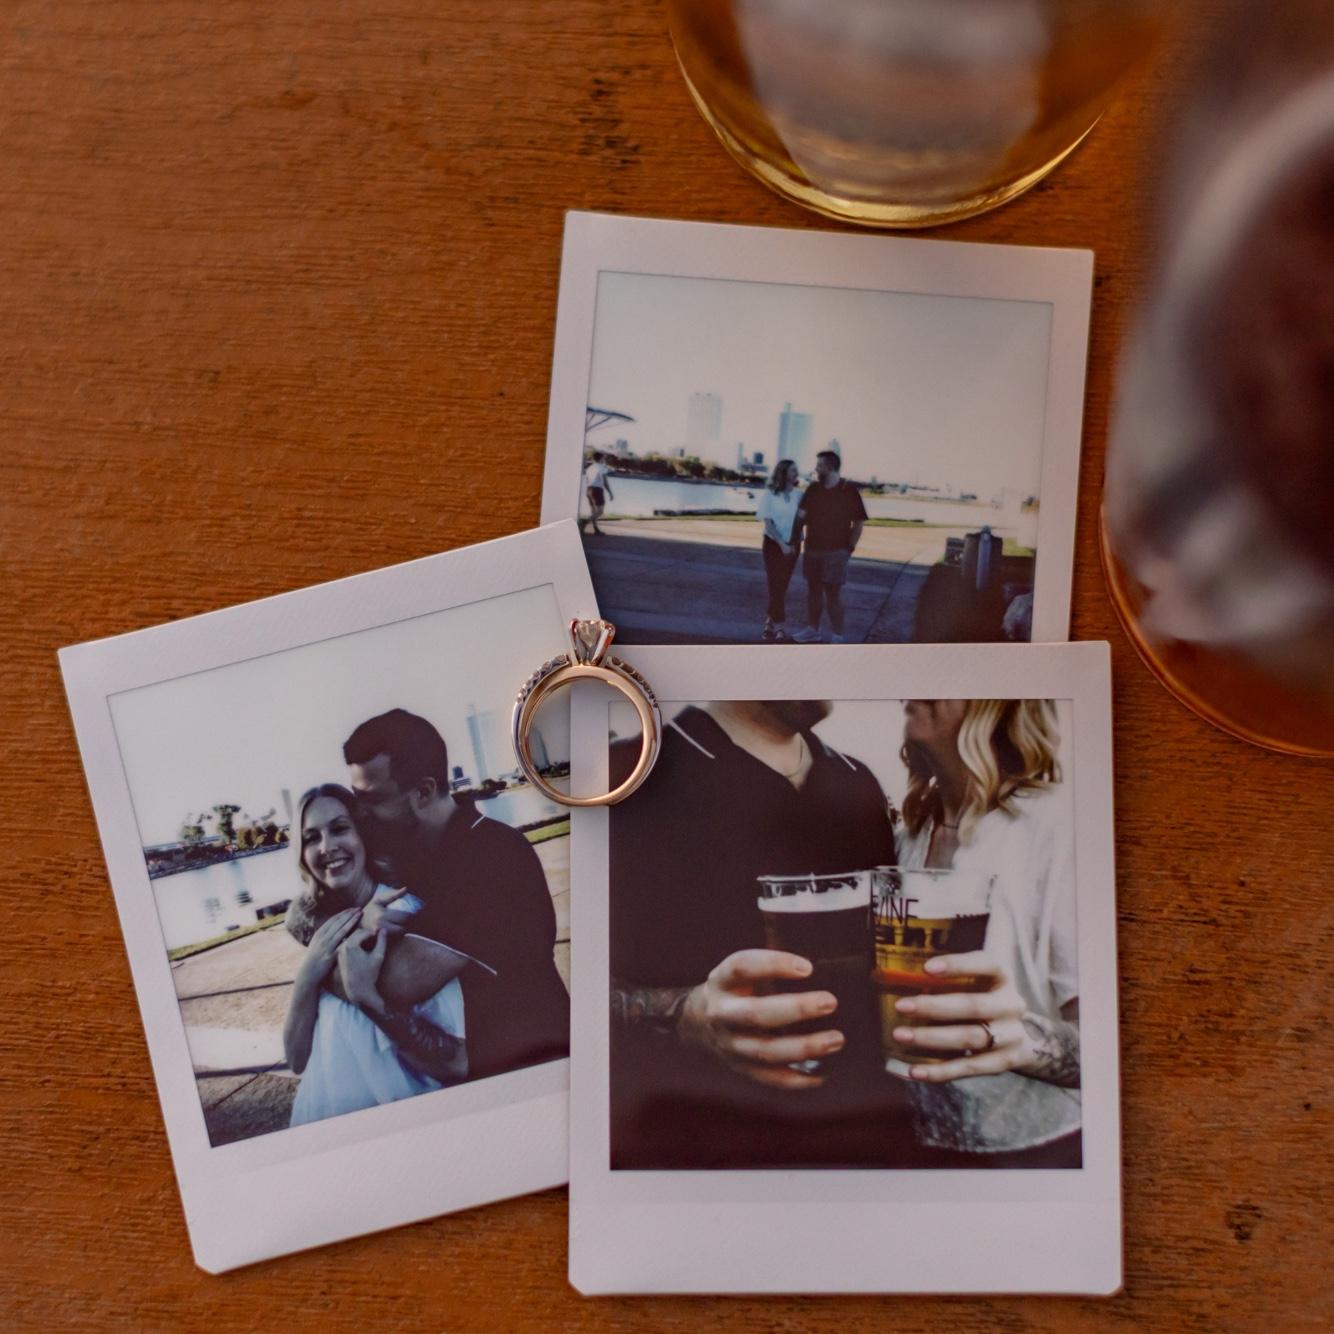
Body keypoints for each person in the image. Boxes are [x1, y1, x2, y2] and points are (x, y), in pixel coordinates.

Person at [608, 700, 916, 1169]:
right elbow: (570, 1000)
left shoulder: (857, 780)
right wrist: (685, 1014)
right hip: (711, 1154)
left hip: (873, 1140)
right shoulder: (631, 777)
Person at [888, 699, 1082, 1168]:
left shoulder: (1059, 825)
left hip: (1033, 1152)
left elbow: (1108, 1051)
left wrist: (1024, 1042)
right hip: (910, 1143)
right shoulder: (909, 831)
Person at [344, 709, 570, 1081]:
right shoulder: (419, 856)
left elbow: (393, 981)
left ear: (423, 792)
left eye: (373, 799)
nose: (359, 815)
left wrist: (338, 943)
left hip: (530, 1069)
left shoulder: (490, 856)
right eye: (356, 799)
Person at [283, 784, 470, 1127]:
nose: (326, 847)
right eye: (311, 838)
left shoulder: (406, 917)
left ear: (363, 834)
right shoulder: (324, 935)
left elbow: (455, 1062)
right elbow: (296, 1060)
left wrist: (370, 998)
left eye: (340, 828)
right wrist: (308, 974)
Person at [791, 449, 867, 644]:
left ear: (830, 467)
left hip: (836, 552)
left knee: (833, 594)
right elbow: (800, 516)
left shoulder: (849, 490)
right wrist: (795, 538)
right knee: (813, 592)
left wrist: (849, 549)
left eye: (819, 465)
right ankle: (813, 630)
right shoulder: (813, 489)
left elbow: (858, 523)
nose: (816, 469)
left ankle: (837, 635)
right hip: (812, 550)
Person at [755, 458, 802, 641]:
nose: (796, 473)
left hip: (793, 544)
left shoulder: (799, 495)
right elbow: (768, 523)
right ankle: (780, 626)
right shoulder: (770, 494)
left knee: (782, 585)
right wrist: (782, 544)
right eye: (793, 470)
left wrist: (794, 543)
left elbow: (801, 521)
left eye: (796, 470)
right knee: (774, 583)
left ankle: (769, 622)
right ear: (783, 473)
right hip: (773, 544)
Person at [581, 451, 614, 535]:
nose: (604, 459)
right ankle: (585, 521)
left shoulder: (590, 468)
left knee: (593, 511)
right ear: (601, 458)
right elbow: (605, 482)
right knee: (600, 511)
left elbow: (587, 480)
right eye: (603, 458)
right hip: (597, 490)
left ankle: (596, 529)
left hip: (589, 489)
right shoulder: (602, 468)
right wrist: (610, 492)